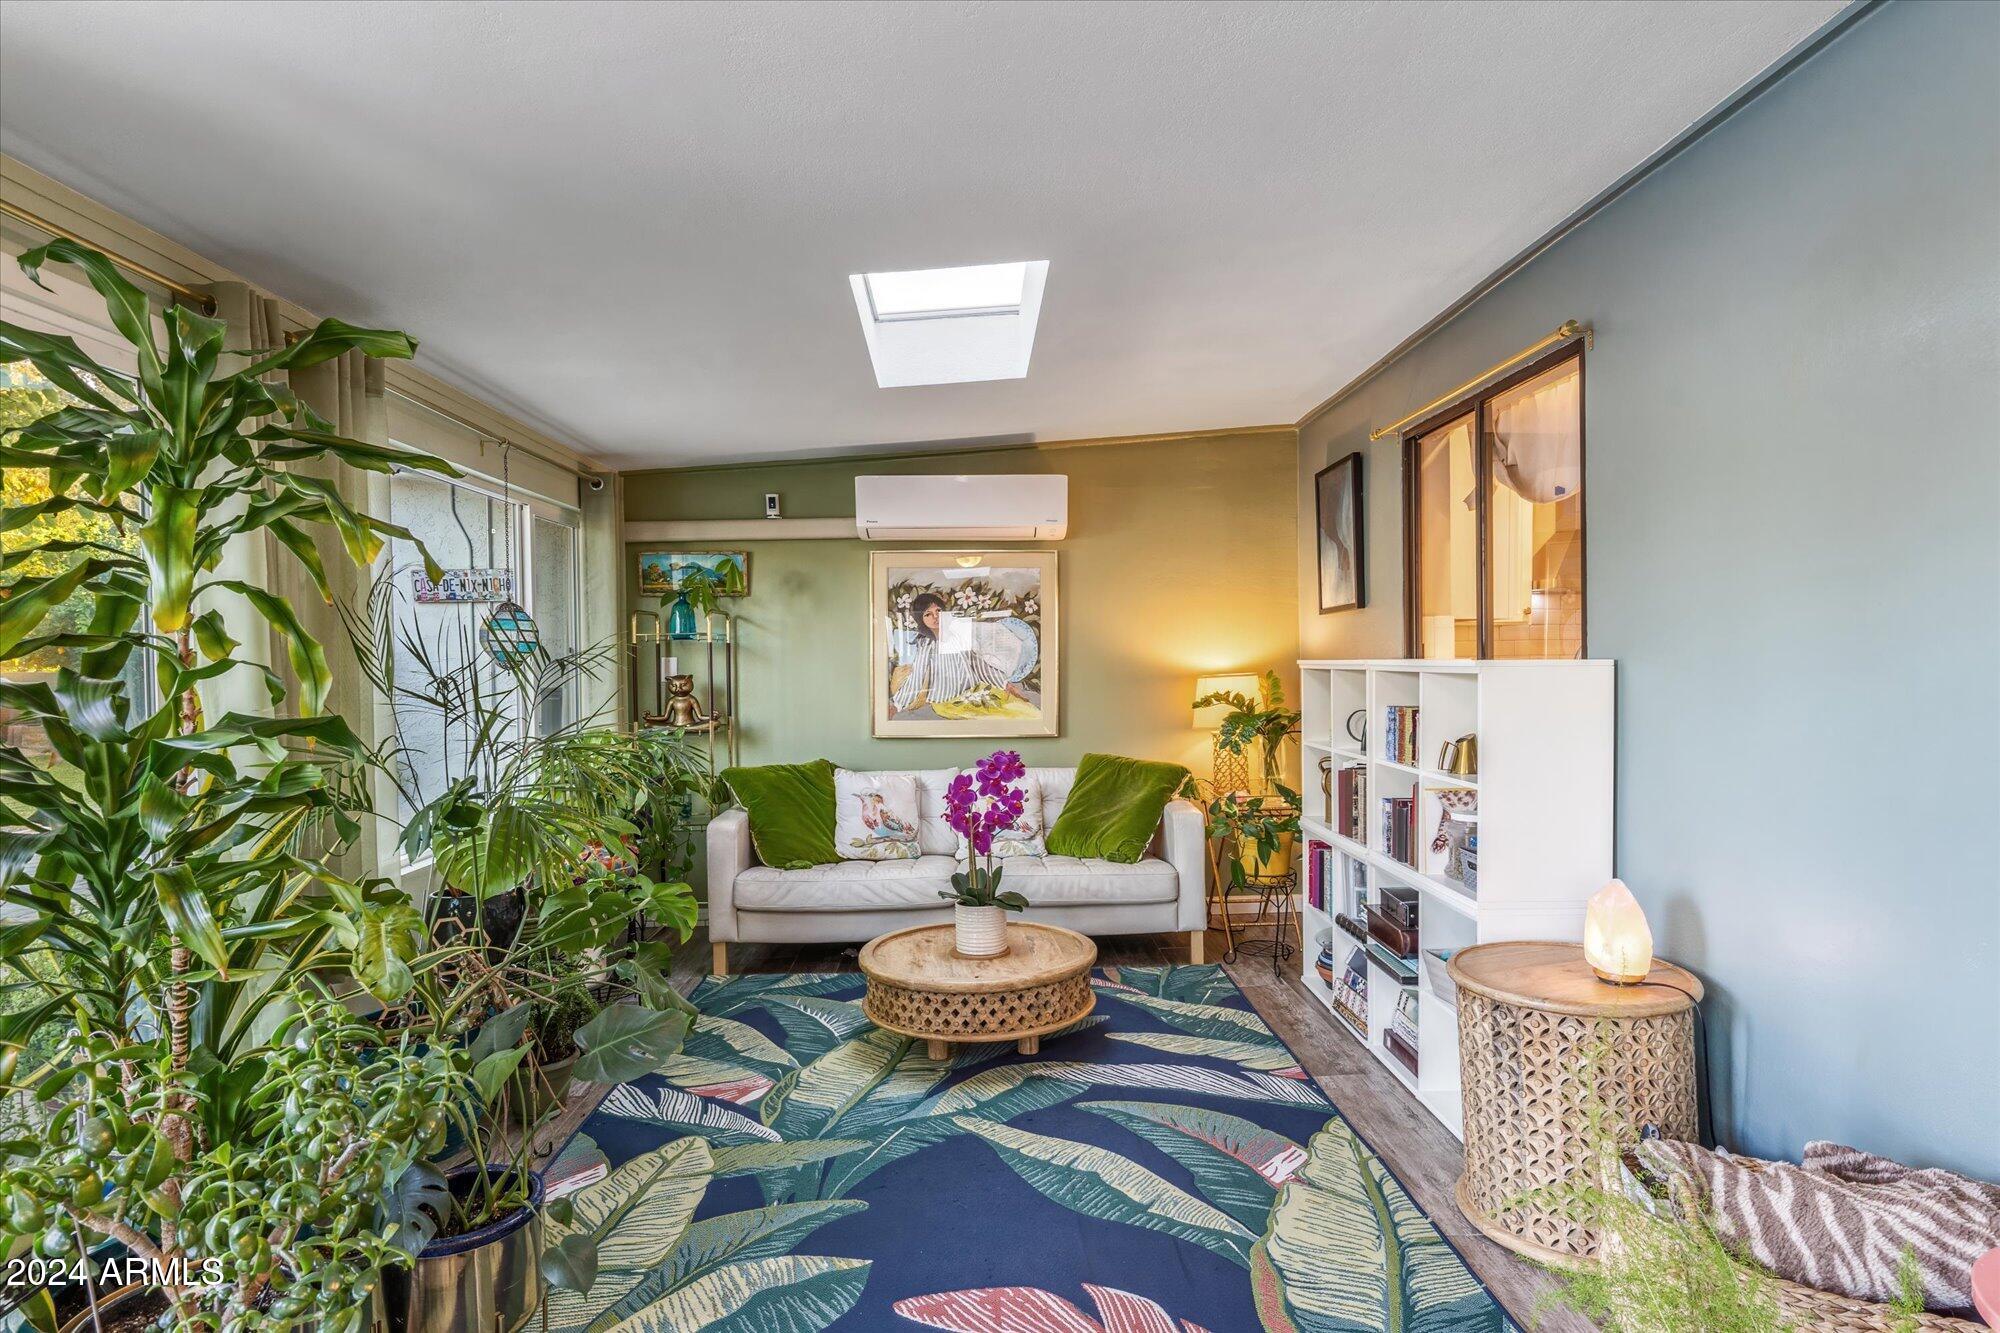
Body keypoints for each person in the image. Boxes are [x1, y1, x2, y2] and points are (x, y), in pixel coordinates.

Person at [887, 589, 1039, 718]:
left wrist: (1006, 685)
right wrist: (897, 705)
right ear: (921, 619)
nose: (935, 617)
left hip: (975, 691)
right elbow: (917, 677)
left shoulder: (958, 636)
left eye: (938, 611)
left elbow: (979, 665)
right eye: (928, 614)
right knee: (998, 717)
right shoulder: (926, 645)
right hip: (946, 700)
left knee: (1023, 711)